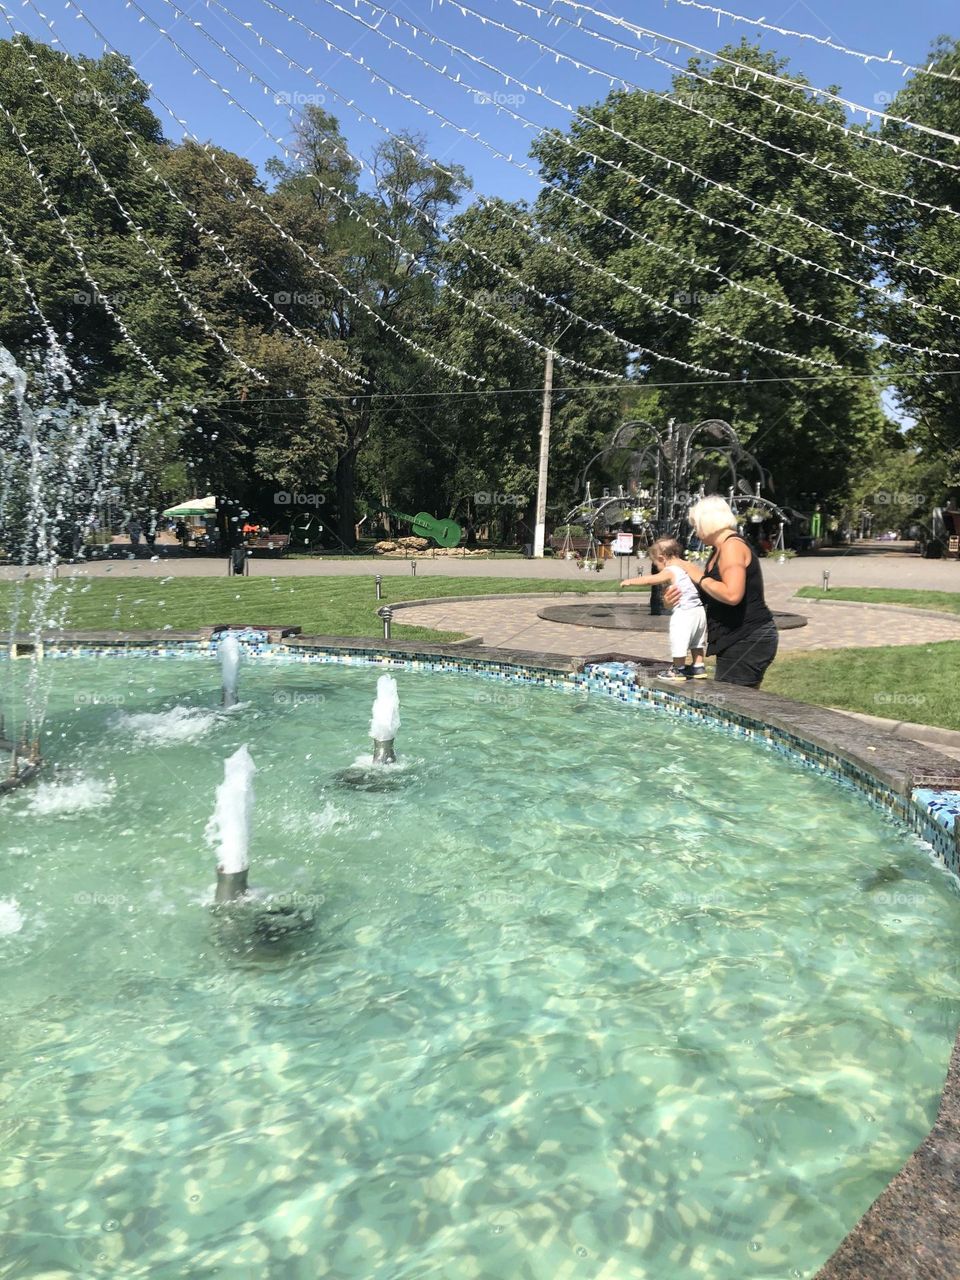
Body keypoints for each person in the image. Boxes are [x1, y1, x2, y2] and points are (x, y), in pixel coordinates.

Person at [664, 495, 778, 688]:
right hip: (737, 637)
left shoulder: (732, 547)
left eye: (696, 525)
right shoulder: (720, 548)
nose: (695, 531)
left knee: (737, 705)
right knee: (735, 705)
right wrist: (672, 600)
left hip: (747, 637)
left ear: (707, 522)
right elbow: (711, 594)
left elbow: (732, 595)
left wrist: (697, 574)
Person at [620, 537, 707, 681]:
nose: (656, 566)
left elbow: (651, 579)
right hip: (698, 611)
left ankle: (678, 669)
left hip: (684, 612)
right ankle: (698, 666)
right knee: (696, 641)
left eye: (655, 563)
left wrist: (630, 581)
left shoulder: (671, 570)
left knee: (679, 638)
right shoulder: (686, 566)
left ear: (662, 558)